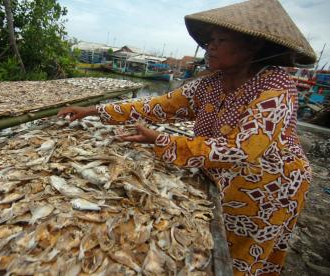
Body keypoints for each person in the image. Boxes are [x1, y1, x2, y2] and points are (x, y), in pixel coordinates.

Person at [58, 0, 316, 275]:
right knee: (223, 245)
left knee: (245, 259)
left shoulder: (276, 85)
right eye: (210, 40)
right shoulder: (209, 84)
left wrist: (162, 140)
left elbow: (242, 149)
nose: (210, 46)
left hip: (271, 186)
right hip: (225, 178)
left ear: (252, 46)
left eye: (221, 39)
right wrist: (92, 110)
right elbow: (154, 106)